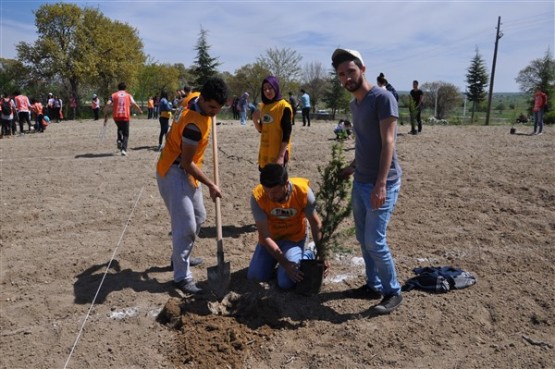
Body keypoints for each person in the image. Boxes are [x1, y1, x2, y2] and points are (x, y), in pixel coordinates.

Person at [332, 48, 403, 314]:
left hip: (383, 180)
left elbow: (388, 143)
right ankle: (372, 285)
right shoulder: (354, 104)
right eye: (341, 74)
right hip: (360, 180)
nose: (346, 78)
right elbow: (363, 142)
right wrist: (351, 167)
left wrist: (381, 184)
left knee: (375, 241)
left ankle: (393, 292)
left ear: (363, 69)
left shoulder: (382, 99)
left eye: (351, 71)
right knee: (363, 238)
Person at [156, 77, 228, 295]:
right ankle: (181, 277)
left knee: (199, 217)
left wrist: (210, 113)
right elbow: (187, 163)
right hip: (173, 170)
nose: (215, 112)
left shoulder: (195, 98)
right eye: (212, 107)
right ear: (203, 99)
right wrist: (211, 185)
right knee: (186, 225)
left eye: (219, 108)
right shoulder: (193, 127)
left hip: (186, 170)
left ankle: (179, 256)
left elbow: (191, 102)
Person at [247, 164, 325, 290]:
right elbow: (265, 236)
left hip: (293, 240)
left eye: (275, 192)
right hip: (271, 240)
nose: (271, 196)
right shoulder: (258, 197)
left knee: (286, 282)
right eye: (267, 192)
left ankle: (309, 253)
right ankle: (280, 262)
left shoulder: (303, 192)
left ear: (286, 184)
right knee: (256, 277)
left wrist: (322, 253)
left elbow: (316, 224)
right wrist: (286, 264)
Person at [252, 76, 293, 170]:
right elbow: (261, 130)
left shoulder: (284, 106)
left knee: (278, 182)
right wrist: (254, 120)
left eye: (270, 88)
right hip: (265, 151)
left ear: (275, 87)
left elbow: (287, 134)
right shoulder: (264, 106)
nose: (267, 91)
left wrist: (281, 157)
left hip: (278, 152)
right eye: (264, 89)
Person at [103, 82, 143, 156]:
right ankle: (124, 150)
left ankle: (119, 140)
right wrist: (139, 110)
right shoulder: (128, 95)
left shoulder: (113, 95)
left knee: (120, 127)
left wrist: (105, 110)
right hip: (125, 116)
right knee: (126, 133)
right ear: (125, 88)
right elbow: (134, 104)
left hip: (116, 116)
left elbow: (108, 103)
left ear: (118, 88)